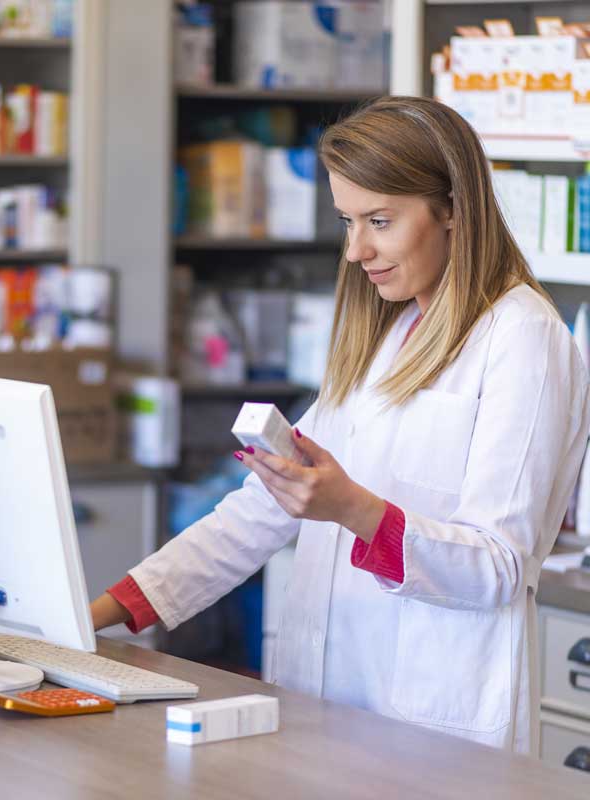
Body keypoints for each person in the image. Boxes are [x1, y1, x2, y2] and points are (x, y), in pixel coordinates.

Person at [90, 96, 590, 755]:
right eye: (348, 221)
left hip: (435, 728)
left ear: (453, 211)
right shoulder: (391, 332)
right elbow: (258, 513)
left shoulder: (523, 337)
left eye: (379, 220)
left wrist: (352, 508)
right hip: (328, 705)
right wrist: (97, 616)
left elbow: (496, 564)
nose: (356, 250)